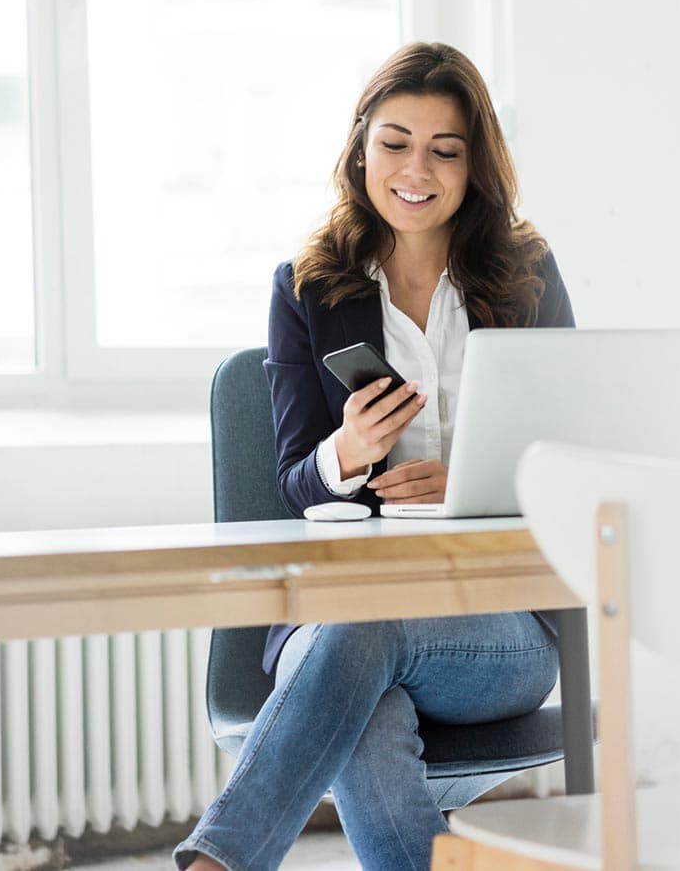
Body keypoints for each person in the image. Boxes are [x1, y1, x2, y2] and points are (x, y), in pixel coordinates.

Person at [175, 42, 575, 871]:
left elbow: (569, 459)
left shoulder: (527, 276)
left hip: (498, 624)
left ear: (475, 166)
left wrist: (467, 481)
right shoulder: (309, 286)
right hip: (331, 612)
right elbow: (291, 482)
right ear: (360, 149)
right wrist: (345, 453)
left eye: (445, 149)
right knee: (369, 699)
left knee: (368, 645)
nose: (415, 169)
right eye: (394, 142)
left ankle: (219, 862)